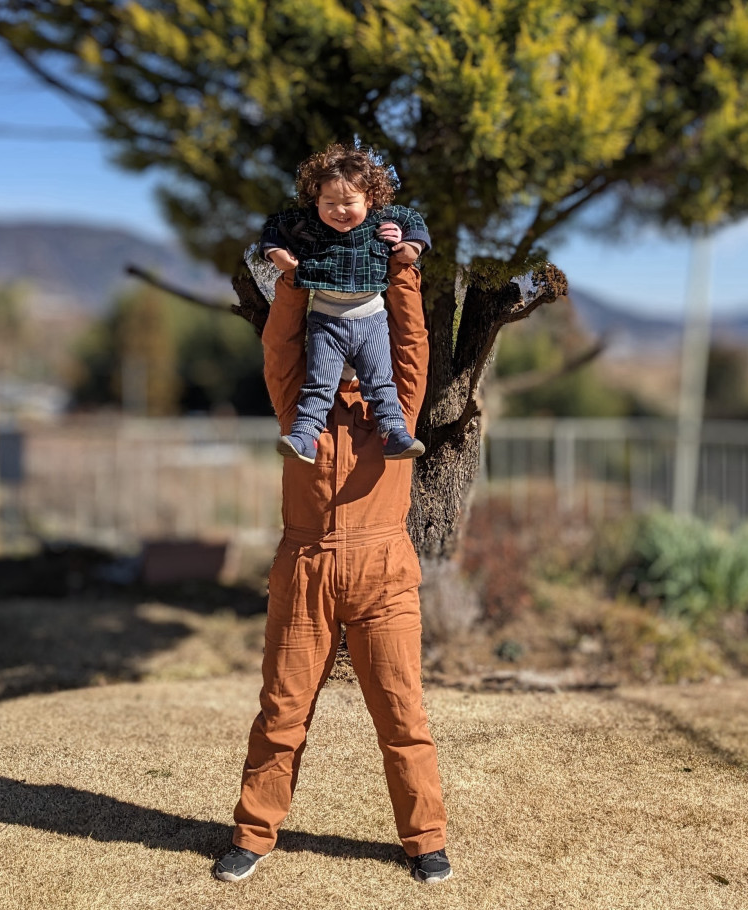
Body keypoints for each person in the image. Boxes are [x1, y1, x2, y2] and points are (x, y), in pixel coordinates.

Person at [213, 161, 452, 884]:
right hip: (306, 570)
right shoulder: (299, 412)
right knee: (281, 714)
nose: (347, 364)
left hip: (385, 575)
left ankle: (426, 839)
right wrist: (291, 281)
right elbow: (281, 349)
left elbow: (409, 347)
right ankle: (254, 835)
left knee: (403, 716)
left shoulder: (395, 415)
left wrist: (403, 272)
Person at [259, 143, 429, 464]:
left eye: (349, 202)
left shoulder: (382, 221)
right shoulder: (308, 225)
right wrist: (275, 254)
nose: (339, 211)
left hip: (371, 320)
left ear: (370, 199)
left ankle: (393, 431)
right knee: (319, 384)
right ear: (316, 200)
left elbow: (413, 219)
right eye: (329, 202)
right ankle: (306, 435)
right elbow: (274, 226)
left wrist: (411, 246)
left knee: (380, 381)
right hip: (325, 320)